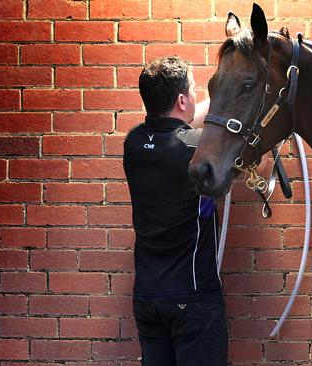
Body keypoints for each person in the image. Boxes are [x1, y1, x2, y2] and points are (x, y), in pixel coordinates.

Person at [123, 56, 227, 366]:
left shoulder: (133, 142)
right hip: (193, 297)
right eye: (193, 91)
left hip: (148, 298)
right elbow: (254, 161)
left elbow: (177, 131)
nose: (196, 97)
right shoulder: (196, 149)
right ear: (182, 100)